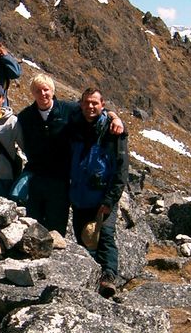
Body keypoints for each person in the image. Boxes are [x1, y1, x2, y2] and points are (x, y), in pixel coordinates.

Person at [17, 74, 124, 236]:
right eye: (38, 91)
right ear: (33, 93)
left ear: (52, 91)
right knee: (33, 226)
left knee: (56, 229)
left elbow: (93, 109)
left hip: (61, 181)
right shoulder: (25, 116)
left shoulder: (69, 109)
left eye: (46, 90)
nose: (43, 94)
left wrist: (115, 117)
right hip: (35, 179)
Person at [68, 87, 129, 298]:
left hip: (103, 198)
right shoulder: (75, 124)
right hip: (79, 196)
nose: (90, 106)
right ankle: (91, 280)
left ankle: (109, 278)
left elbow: (121, 170)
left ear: (102, 105)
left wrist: (110, 200)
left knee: (106, 237)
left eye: (95, 103)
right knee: (83, 239)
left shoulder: (114, 132)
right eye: (87, 102)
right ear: (81, 104)